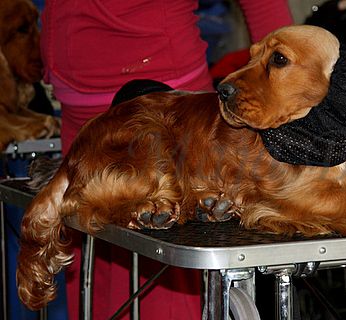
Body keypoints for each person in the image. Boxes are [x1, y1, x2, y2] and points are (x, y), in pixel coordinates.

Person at [40, 1, 293, 319]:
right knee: (91, 276)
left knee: (160, 284)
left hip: (161, 109)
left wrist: (288, 98)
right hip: (77, 109)